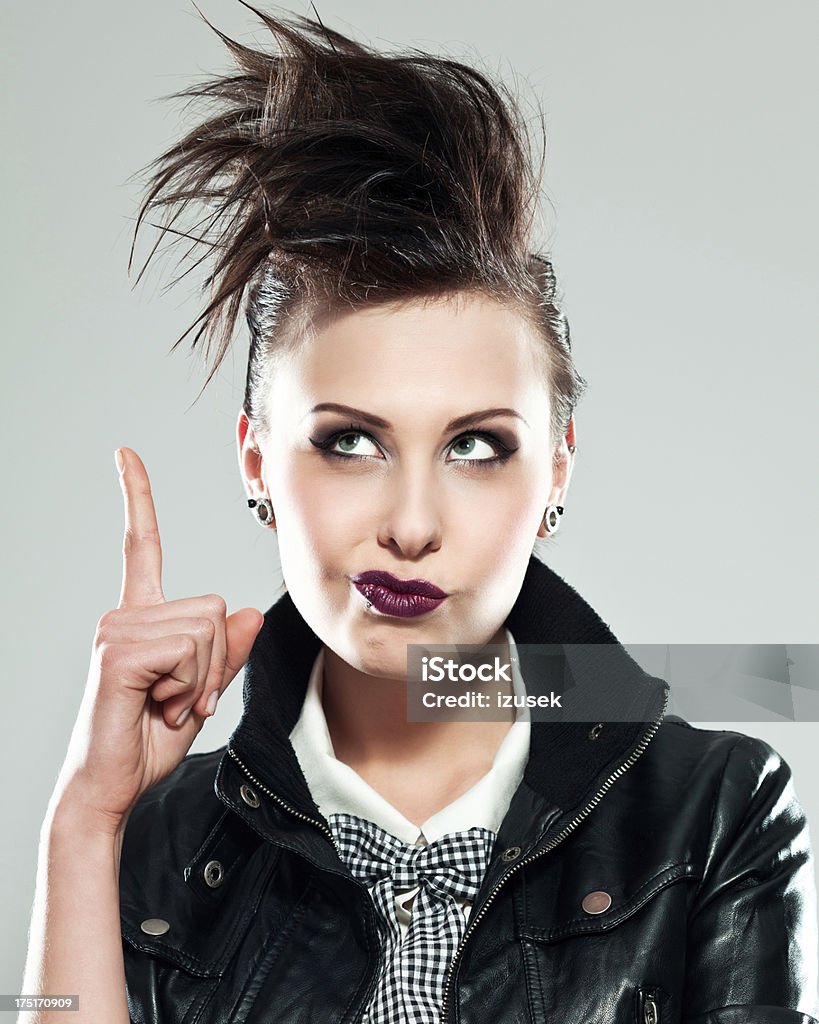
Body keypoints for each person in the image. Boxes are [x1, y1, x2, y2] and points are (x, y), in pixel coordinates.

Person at [20, 5, 819, 1023]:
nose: (410, 522)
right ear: (257, 455)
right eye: (350, 440)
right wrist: (85, 825)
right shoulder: (160, 845)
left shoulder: (711, 811)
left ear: (559, 471)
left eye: (475, 446)